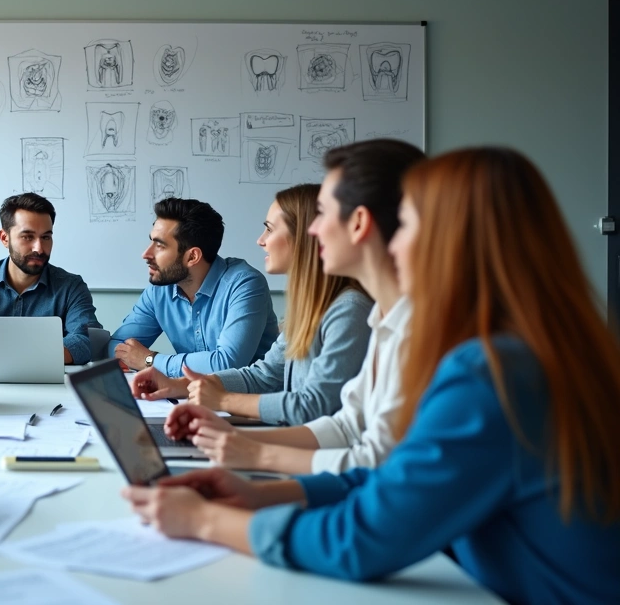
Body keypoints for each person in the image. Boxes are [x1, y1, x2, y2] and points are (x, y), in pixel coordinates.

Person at [123, 147, 620, 605]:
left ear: (446, 240)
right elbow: (393, 477)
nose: (391, 242)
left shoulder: (489, 371)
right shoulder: (504, 347)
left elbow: (362, 538)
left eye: (402, 225)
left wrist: (207, 521)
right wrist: (262, 492)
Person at [159, 139, 425, 474]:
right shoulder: (370, 314)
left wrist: (232, 419)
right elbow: (341, 422)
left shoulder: (358, 311)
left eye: (323, 214)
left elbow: (325, 414)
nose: (314, 229)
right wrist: (221, 423)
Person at [131, 184, 372, 426]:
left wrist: (223, 401)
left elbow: (312, 407)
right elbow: (265, 376)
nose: (260, 240)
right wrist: (180, 385)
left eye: (269, 229)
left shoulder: (349, 311)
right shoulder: (310, 309)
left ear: (307, 237)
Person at [105, 197, 278, 376]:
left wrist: (150, 360)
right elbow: (116, 345)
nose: (146, 254)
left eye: (159, 246)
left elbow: (227, 365)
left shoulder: (245, 284)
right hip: (190, 396)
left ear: (192, 257)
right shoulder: (160, 290)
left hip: (249, 399)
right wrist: (138, 358)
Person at [0, 192, 100, 368]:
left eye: (46, 237)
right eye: (27, 237)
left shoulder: (71, 287)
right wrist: (39, 355)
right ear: (4, 238)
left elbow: (86, 341)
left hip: (50, 391)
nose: (39, 248)